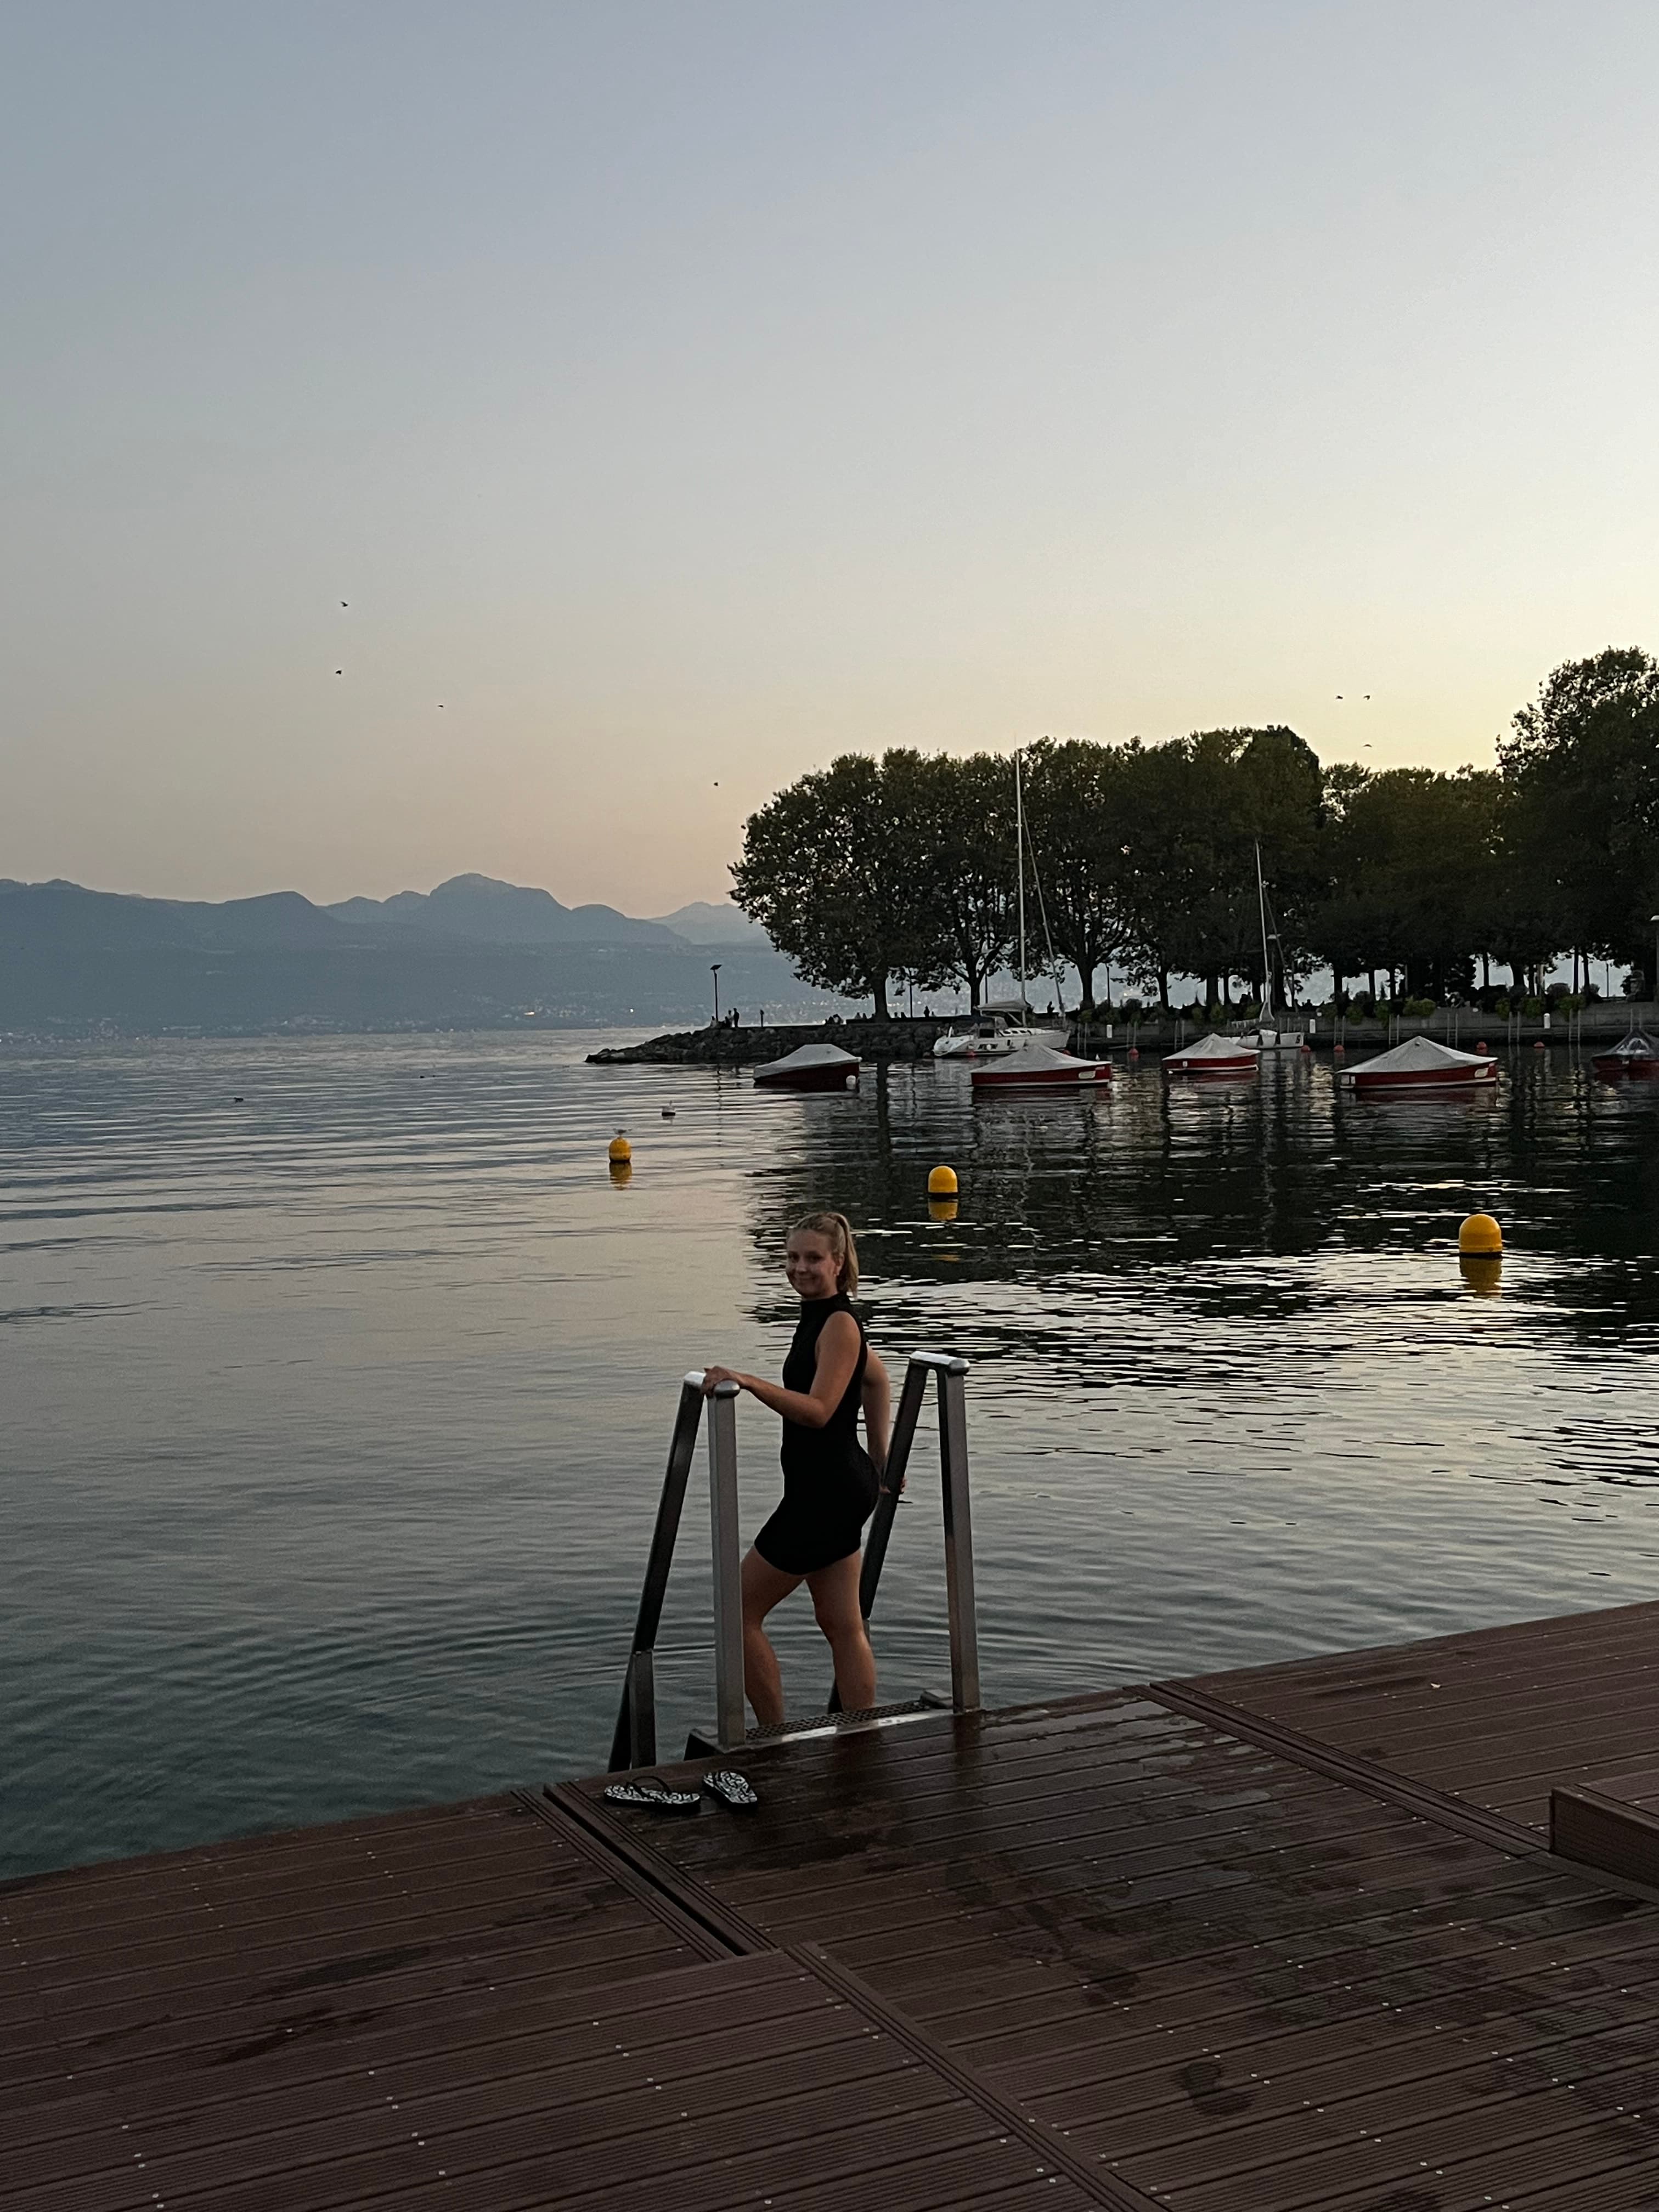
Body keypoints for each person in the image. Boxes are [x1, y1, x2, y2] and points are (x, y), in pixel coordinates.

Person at [702, 1212, 890, 1724]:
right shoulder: (823, 1319)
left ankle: (772, 1735)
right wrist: (880, 1456)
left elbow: (820, 1411)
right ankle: (861, 1735)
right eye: (792, 1258)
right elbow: (876, 1380)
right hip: (836, 1485)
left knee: (735, 1611)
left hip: (825, 1494)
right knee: (841, 1623)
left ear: (838, 1262)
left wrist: (749, 1381)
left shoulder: (840, 1325)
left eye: (812, 1258)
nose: (800, 1268)